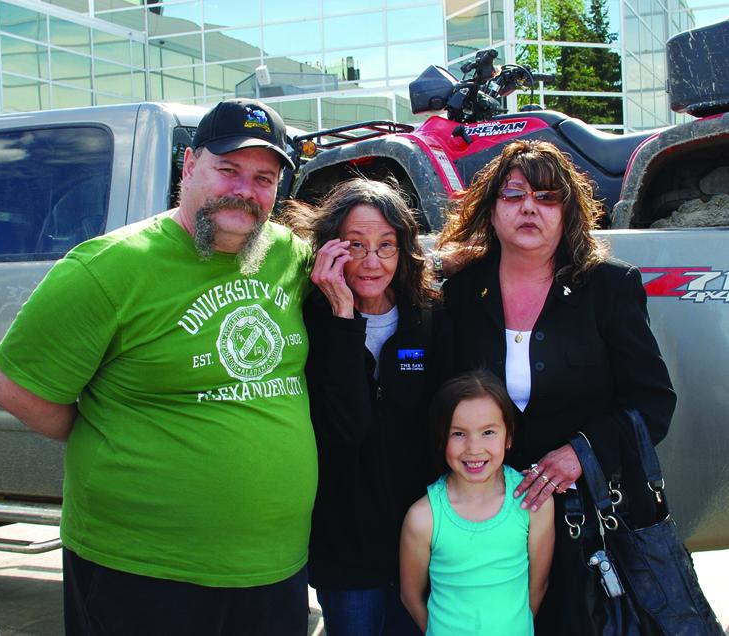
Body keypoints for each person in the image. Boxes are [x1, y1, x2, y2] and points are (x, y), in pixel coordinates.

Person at [0, 99, 317, 635]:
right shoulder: (108, 267)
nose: (245, 190)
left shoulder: (289, 257)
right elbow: (11, 385)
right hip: (139, 568)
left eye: (264, 178)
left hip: (272, 570)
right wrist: (110, 432)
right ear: (189, 166)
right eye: (227, 169)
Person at [436, 139, 676, 635]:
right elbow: (439, 398)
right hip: (485, 515)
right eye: (514, 194)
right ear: (490, 208)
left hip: (586, 516)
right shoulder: (461, 290)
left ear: (568, 211)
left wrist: (580, 452)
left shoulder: (609, 287)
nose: (529, 207)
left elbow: (653, 403)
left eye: (547, 197)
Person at [283, 178, 452, 636]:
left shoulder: (428, 315)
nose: (372, 262)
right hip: (345, 543)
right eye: (356, 246)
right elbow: (350, 427)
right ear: (330, 249)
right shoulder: (307, 319)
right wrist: (342, 315)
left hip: (420, 538)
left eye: (386, 246)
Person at [399, 369, 554, 635]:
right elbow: (411, 597)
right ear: (441, 437)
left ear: (509, 437)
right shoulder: (423, 517)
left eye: (488, 432)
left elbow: (537, 587)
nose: (473, 447)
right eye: (458, 433)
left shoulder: (532, 500)